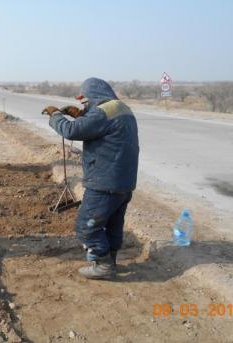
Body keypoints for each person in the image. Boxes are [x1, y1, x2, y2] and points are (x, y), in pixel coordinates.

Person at [42, 77, 139, 279]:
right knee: (113, 225)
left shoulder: (103, 112)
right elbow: (100, 128)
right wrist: (82, 115)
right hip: (123, 182)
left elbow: (72, 130)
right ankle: (110, 262)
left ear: (93, 96)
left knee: (85, 227)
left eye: (85, 102)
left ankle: (103, 265)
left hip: (104, 182)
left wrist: (56, 115)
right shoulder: (121, 108)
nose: (84, 106)